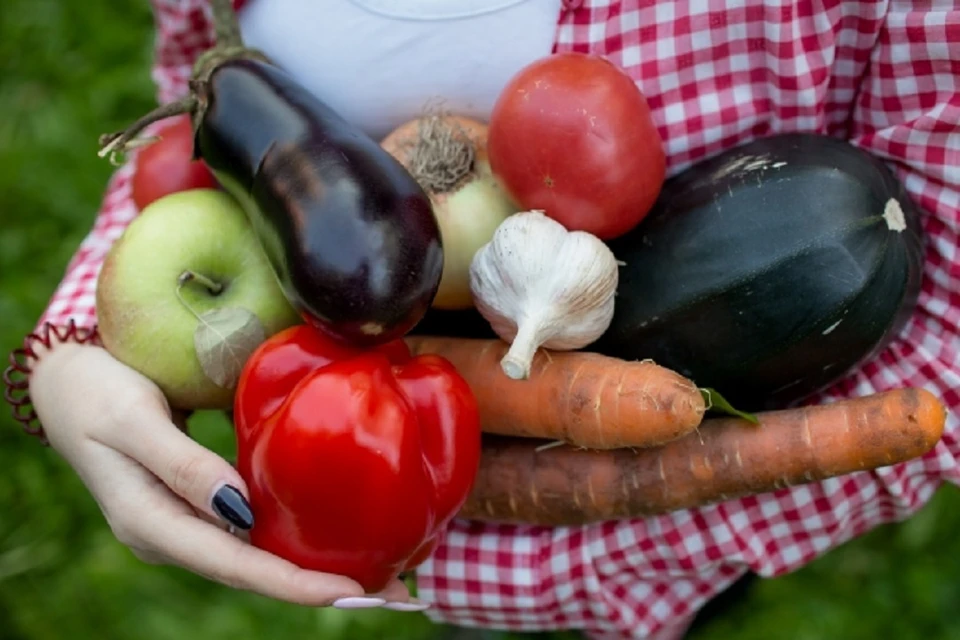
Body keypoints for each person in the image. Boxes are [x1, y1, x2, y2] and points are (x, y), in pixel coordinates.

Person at [4, 0, 959, 638]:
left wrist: (575, 551)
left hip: (684, 519)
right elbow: (203, 115)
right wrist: (71, 350)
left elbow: (945, 319)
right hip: (388, 463)